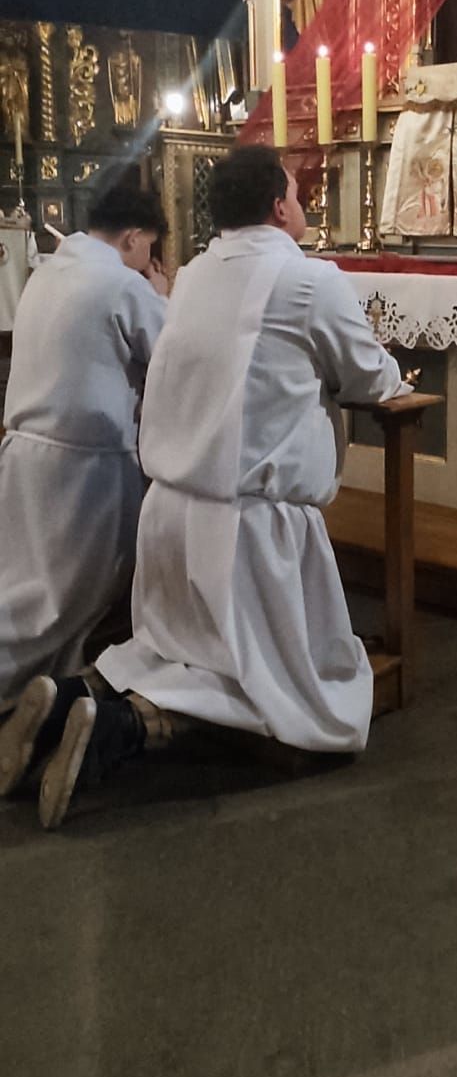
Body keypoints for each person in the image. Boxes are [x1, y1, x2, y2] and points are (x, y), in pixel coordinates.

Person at [2, 144, 406, 829]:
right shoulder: (310, 279)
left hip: (168, 517)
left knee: (174, 649)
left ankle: (69, 698)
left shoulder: (191, 275)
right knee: (285, 687)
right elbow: (371, 379)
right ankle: (120, 728)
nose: (301, 204)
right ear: (278, 206)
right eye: (296, 193)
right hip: (249, 533)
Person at [0, 181, 168, 754]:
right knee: (55, 605)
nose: (149, 260)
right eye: (150, 248)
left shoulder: (48, 273)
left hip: (24, 454)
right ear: (134, 237)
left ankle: (41, 698)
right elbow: (172, 355)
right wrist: (161, 295)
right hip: (83, 467)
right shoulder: (121, 282)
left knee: (22, 587)